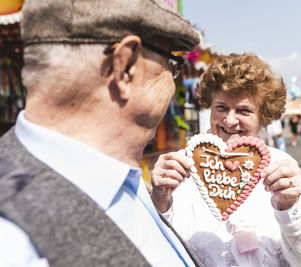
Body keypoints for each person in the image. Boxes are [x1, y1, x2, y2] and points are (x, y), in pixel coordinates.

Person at [0, 0, 201, 266]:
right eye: (173, 64)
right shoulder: (14, 243)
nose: (172, 86)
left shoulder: (122, 176)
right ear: (126, 66)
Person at [151, 53, 301, 266]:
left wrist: (290, 206)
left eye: (244, 110)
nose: (230, 120)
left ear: (263, 116)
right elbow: (156, 251)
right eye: (221, 107)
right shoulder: (181, 165)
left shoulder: (279, 166)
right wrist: (160, 203)